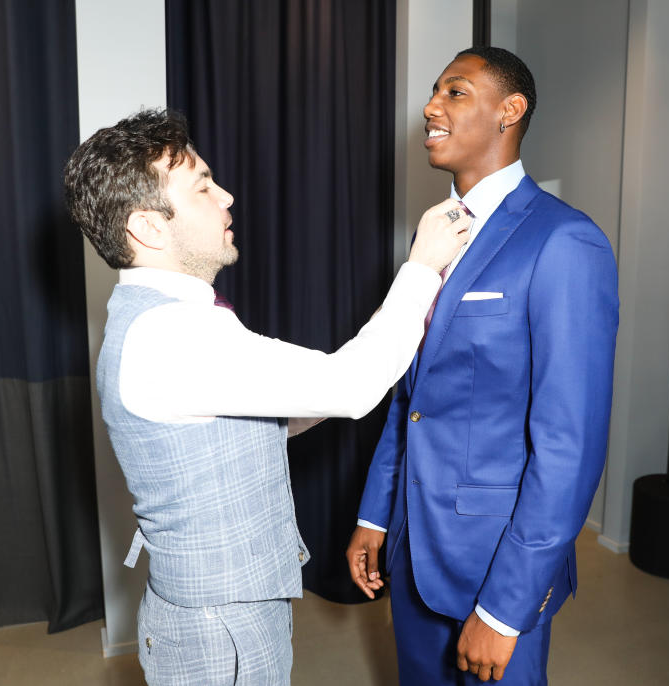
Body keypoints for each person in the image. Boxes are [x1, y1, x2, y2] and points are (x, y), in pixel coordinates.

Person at [62, 108, 471, 686]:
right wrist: (423, 268)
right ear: (148, 228)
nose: (226, 195)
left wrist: (322, 388)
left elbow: (248, 421)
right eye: (203, 185)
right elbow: (350, 387)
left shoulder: (162, 320)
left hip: (221, 613)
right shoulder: (172, 335)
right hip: (218, 630)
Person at [346, 47, 619, 685]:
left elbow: (568, 446)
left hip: (495, 565)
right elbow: (411, 396)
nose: (430, 107)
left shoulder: (564, 242)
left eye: (455, 92)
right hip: (414, 551)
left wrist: (504, 608)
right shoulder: (435, 234)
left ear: (510, 111)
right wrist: (374, 514)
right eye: (434, 93)